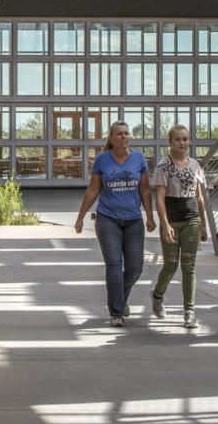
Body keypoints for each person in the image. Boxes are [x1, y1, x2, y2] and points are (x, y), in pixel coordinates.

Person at [73, 120, 154, 327]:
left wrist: (151, 216)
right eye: (119, 134)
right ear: (111, 138)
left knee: (136, 267)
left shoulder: (139, 158)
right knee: (114, 265)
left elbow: (145, 189)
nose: (124, 137)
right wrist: (81, 216)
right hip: (107, 218)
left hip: (134, 219)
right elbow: (93, 190)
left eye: (126, 133)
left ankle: (121, 297)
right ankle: (116, 312)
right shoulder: (102, 160)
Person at [150, 124, 209, 327]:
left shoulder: (195, 165)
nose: (182, 142)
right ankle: (158, 295)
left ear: (189, 141)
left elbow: (199, 197)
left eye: (185, 139)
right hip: (172, 219)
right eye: (177, 139)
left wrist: (203, 225)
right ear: (170, 142)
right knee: (171, 264)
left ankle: (189, 311)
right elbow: (159, 199)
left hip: (192, 218)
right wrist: (164, 224)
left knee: (189, 265)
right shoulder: (163, 166)